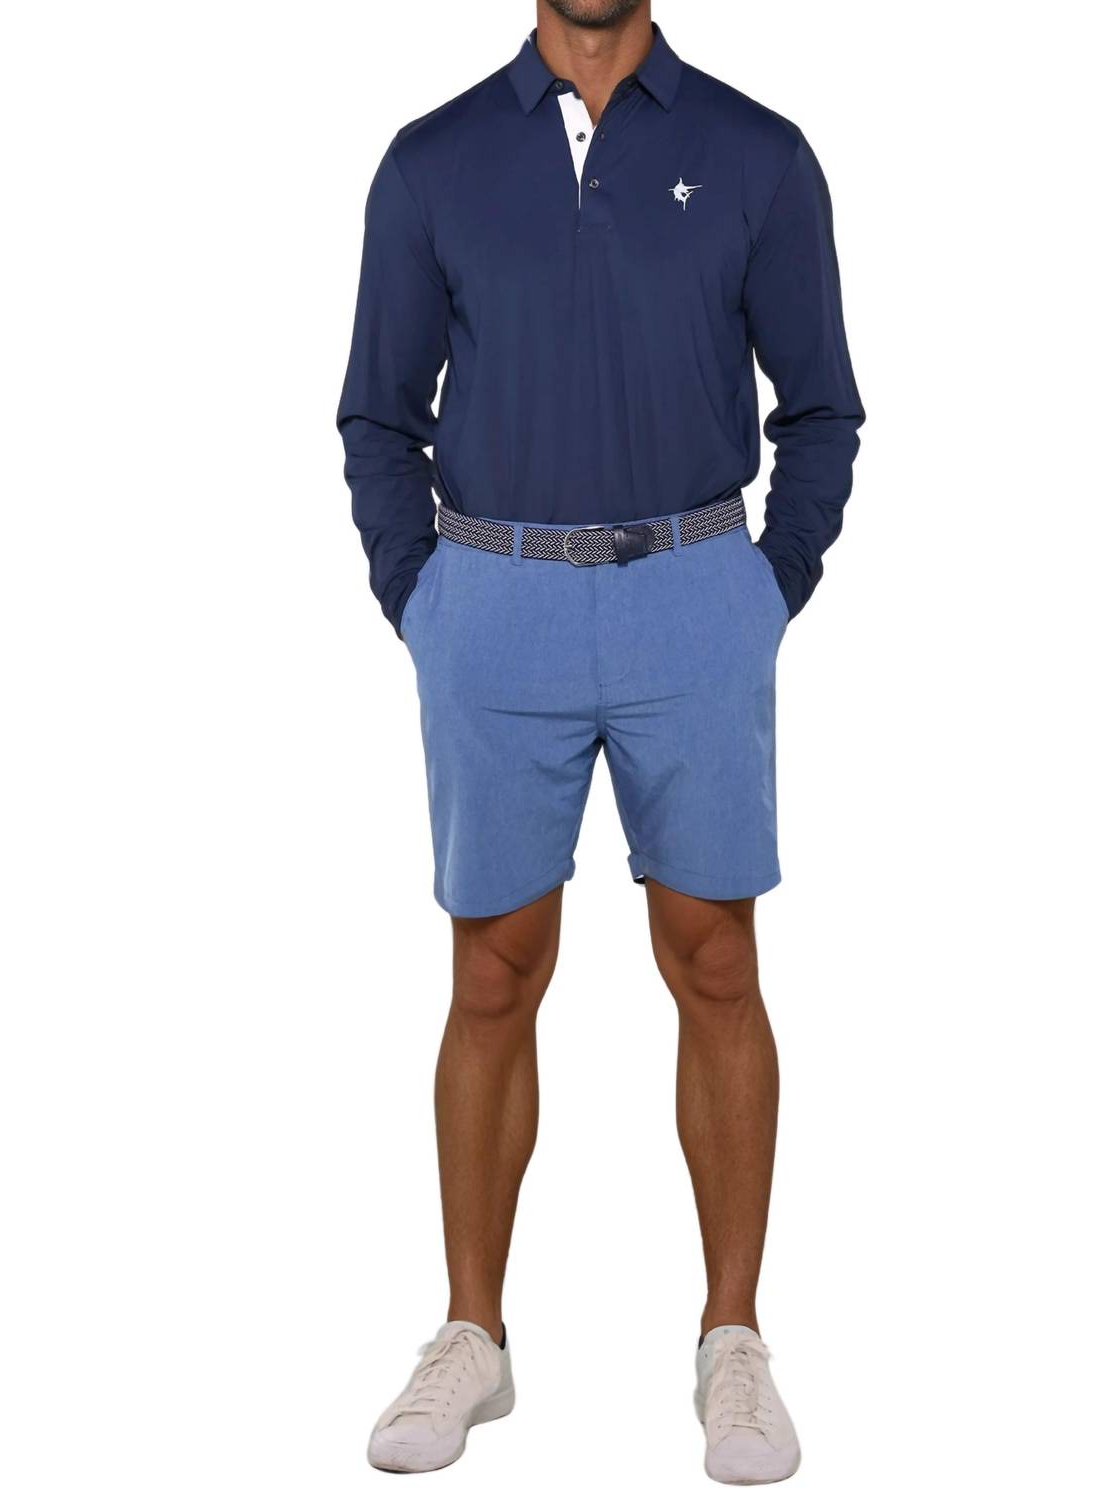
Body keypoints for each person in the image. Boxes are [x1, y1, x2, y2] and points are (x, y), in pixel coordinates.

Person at [336, 0, 862, 1482]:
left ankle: (732, 1341)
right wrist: (424, 598)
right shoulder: (432, 160)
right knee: (491, 972)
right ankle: (473, 1336)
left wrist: (762, 590)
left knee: (715, 959)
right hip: (489, 596)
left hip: (692, 591)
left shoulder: (757, 153)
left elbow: (822, 407)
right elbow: (378, 416)